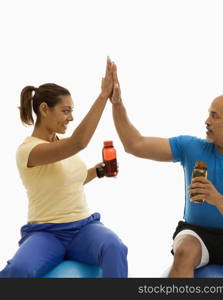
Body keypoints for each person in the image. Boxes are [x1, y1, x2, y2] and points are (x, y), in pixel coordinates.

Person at [109, 64, 223, 277]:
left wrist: (216, 198)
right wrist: (117, 103)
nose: (207, 121)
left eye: (215, 116)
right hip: (195, 234)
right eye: (209, 114)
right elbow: (135, 144)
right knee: (186, 250)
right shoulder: (191, 147)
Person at [0, 58, 128, 278]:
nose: (71, 117)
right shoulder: (29, 150)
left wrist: (96, 172)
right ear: (44, 109)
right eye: (65, 111)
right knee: (18, 270)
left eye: (71, 111)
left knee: (115, 248)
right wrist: (102, 96)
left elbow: (68, 181)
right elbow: (78, 142)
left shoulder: (60, 145)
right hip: (46, 233)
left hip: (83, 229)